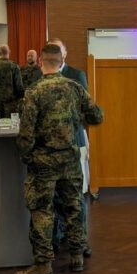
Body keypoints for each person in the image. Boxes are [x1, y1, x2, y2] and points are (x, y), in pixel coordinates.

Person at [15, 44, 105, 274]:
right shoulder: (75, 88)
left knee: (42, 210)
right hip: (70, 160)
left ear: (41, 62)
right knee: (73, 206)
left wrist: (27, 156)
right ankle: (76, 256)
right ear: (60, 61)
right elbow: (97, 116)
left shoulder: (34, 92)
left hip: (43, 162)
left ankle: (43, 264)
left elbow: (26, 134)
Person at [48, 38, 92, 258]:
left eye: (58, 49)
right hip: (49, 149)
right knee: (53, 196)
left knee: (75, 196)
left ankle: (79, 241)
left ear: (65, 53)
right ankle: (56, 238)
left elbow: (87, 109)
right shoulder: (40, 76)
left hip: (74, 142)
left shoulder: (76, 75)